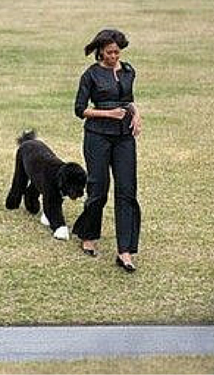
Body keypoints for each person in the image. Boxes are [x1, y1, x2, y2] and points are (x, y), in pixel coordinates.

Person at [73, 29, 142, 273]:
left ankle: (125, 251)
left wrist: (137, 115)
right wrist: (108, 113)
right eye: (110, 52)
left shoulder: (128, 71)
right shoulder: (90, 75)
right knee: (98, 189)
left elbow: (129, 99)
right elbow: (80, 110)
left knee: (127, 191)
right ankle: (88, 234)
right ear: (101, 51)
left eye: (117, 52)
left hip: (124, 138)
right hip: (97, 136)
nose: (114, 56)